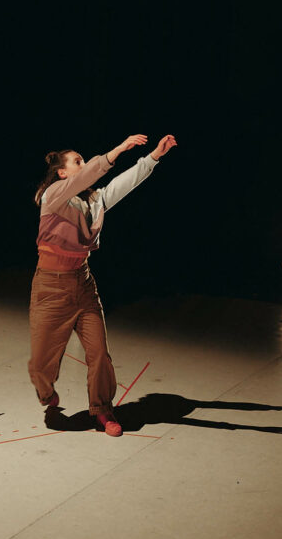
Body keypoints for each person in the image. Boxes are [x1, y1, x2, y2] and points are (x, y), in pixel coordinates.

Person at [28, 133, 178, 436]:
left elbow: (124, 184)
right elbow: (90, 174)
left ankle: (102, 409)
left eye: (84, 161)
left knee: (99, 354)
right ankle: (47, 394)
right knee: (40, 364)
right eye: (78, 162)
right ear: (63, 173)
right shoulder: (53, 196)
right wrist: (118, 149)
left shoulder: (94, 202)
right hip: (50, 288)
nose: (84, 165)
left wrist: (153, 157)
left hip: (83, 284)